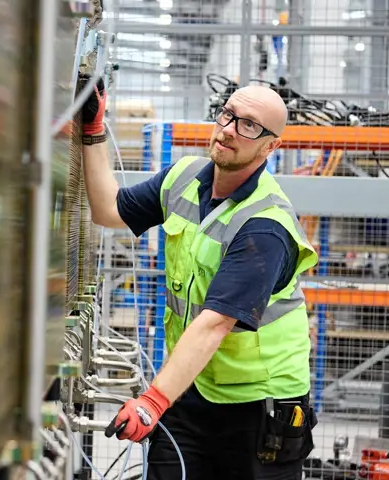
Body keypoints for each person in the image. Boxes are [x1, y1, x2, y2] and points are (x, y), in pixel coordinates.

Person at [79, 74, 319, 480]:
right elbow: (109, 211)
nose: (228, 131)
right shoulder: (184, 178)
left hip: (259, 409)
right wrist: (93, 130)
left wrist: (152, 401)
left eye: (249, 126)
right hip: (191, 390)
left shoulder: (265, 225)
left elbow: (214, 324)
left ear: (270, 145)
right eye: (228, 115)